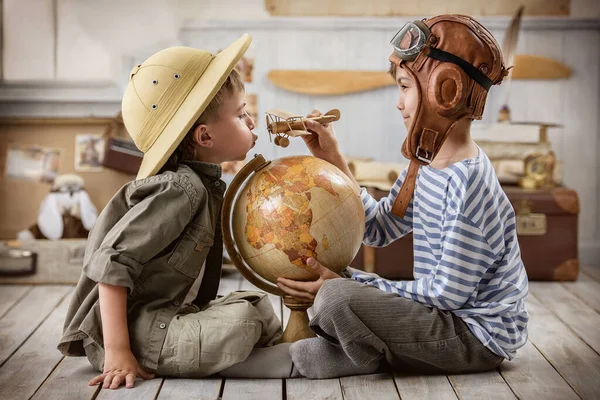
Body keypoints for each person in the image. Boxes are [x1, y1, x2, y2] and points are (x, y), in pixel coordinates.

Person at [276, 15, 529, 379]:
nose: (398, 102)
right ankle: (361, 350)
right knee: (333, 286)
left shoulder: (468, 183)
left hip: (475, 336)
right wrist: (331, 156)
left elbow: (447, 295)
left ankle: (361, 353)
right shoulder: (424, 161)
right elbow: (377, 229)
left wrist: (349, 282)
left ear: (445, 91)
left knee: (336, 298)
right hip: (442, 317)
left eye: (405, 86)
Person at [58, 34, 297, 390]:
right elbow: (111, 264)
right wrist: (119, 352)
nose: (251, 122)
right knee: (244, 321)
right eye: (241, 113)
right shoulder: (179, 190)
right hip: (138, 333)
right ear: (204, 137)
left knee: (258, 304)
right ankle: (289, 364)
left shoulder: (200, 184)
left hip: (169, 317)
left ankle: (274, 355)